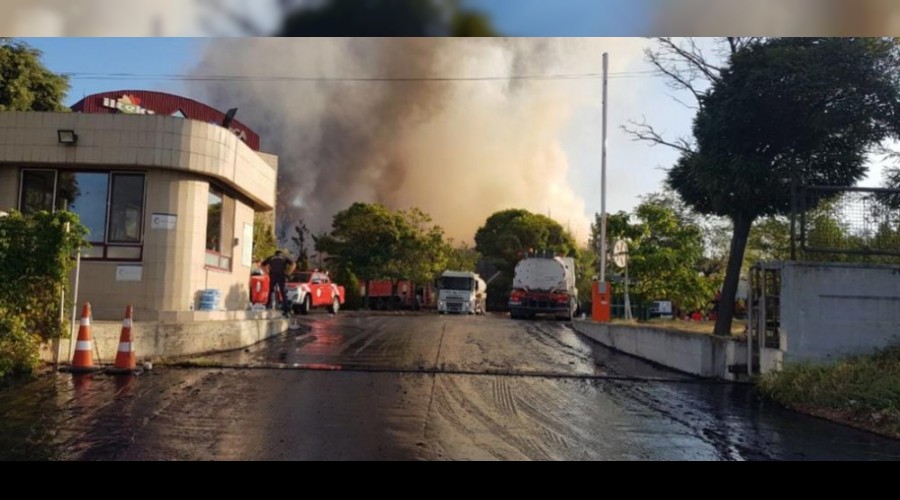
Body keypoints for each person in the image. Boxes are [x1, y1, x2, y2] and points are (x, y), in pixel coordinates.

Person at [261, 250, 296, 317]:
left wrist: (267, 272)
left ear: (275, 254)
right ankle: (286, 311)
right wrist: (289, 273)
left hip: (273, 275)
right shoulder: (284, 257)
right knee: (283, 293)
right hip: (281, 275)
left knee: (270, 291)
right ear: (281, 254)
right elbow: (294, 264)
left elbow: (262, 265)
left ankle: (267, 306)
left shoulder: (271, 257)